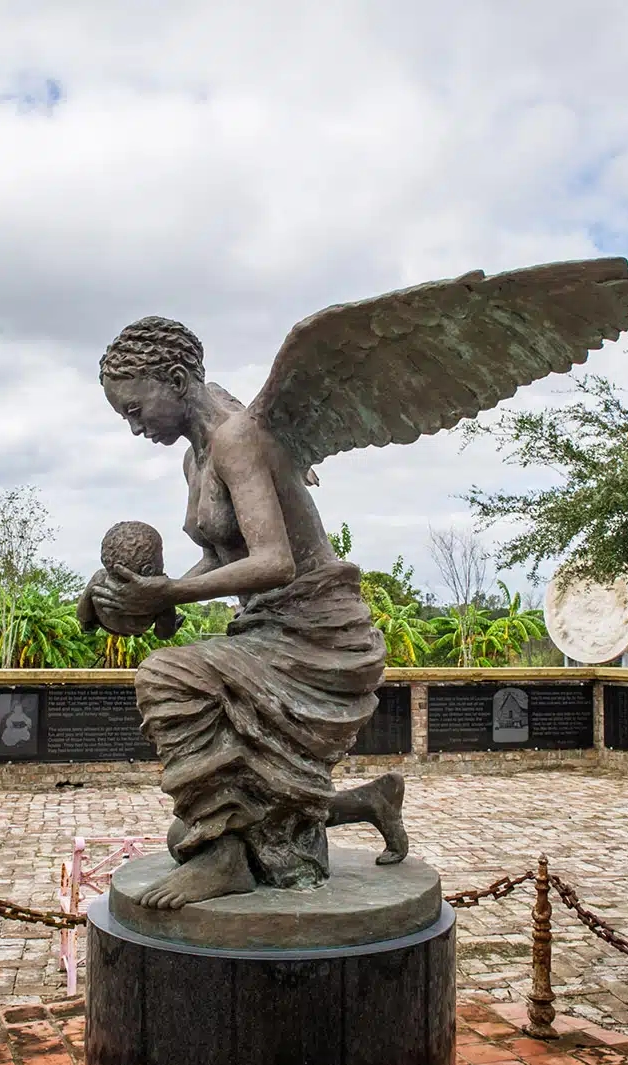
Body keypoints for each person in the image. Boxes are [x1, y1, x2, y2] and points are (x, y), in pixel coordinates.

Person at [89, 316, 406, 910]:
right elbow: (218, 554)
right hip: (266, 627)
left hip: (318, 630)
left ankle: (229, 860)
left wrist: (166, 595)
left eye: (135, 409)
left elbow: (274, 562)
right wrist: (149, 597)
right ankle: (367, 802)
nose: (134, 427)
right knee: (199, 822)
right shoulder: (196, 458)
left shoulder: (238, 438)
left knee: (166, 678)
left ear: (177, 380)